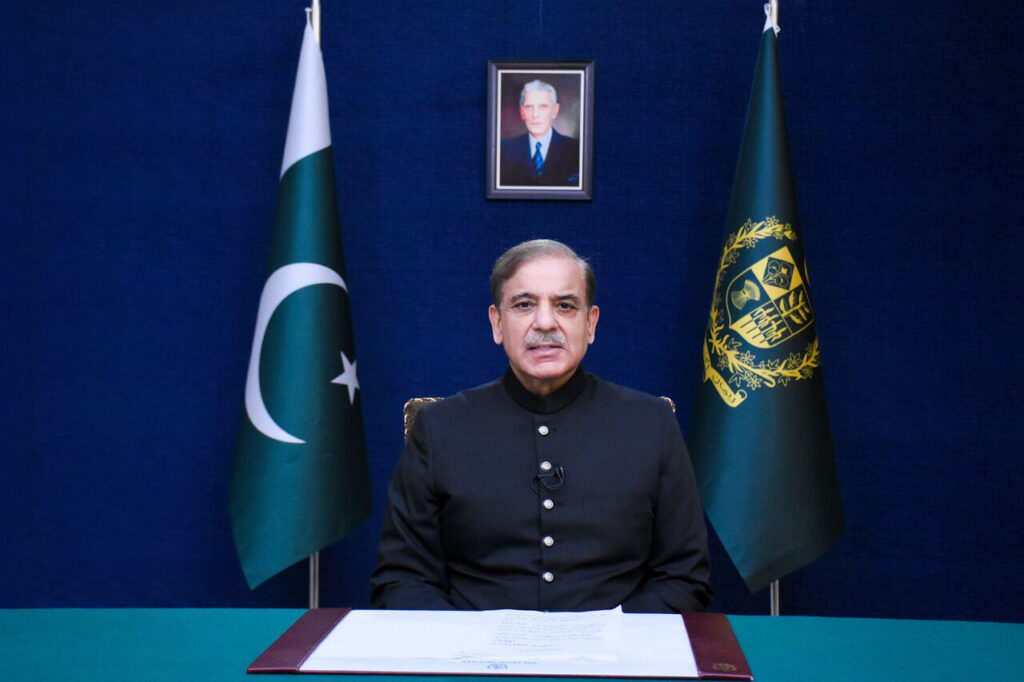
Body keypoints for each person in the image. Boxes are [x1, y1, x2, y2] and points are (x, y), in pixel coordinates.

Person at [371, 240, 712, 613]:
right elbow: (402, 579)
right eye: (524, 305)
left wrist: (617, 639)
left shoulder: (650, 423)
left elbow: (684, 578)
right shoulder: (439, 427)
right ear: (497, 323)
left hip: (616, 647)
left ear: (590, 324)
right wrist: (466, 643)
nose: (546, 323)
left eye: (565, 305)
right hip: (473, 647)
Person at [499, 80, 581, 186]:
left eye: (543, 106)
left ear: (555, 110)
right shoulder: (504, 150)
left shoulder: (576, 150)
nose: (535, 114)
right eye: (529, 107)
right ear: (522, 112)